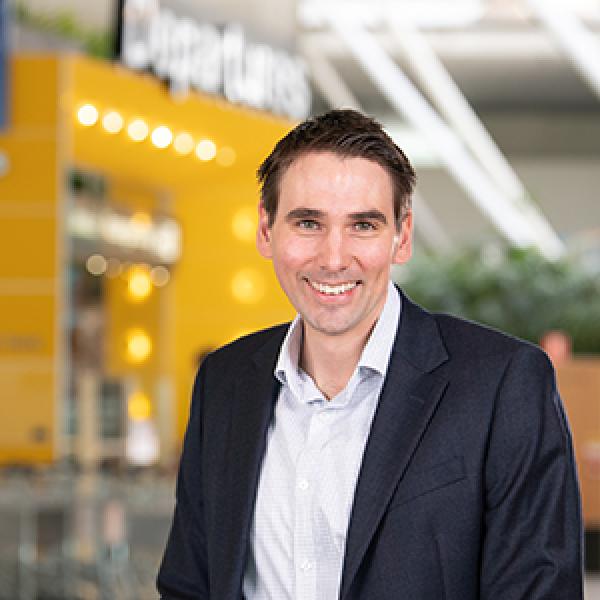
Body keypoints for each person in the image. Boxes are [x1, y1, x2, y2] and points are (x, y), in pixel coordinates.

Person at [157, 109, 583, 599]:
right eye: (308, 222)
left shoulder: (502, 384)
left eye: (362, 225)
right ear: (265, 229)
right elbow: (189, 583)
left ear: (401, 237)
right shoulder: (226, 380)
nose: (334, 258)